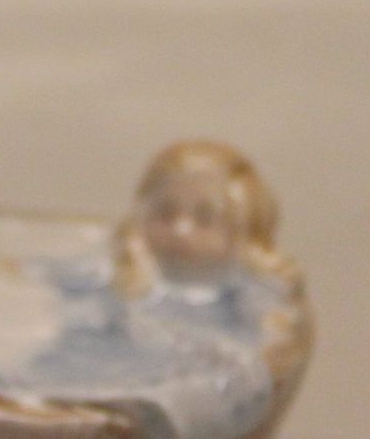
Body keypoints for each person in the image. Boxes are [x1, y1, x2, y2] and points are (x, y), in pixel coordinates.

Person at [113, 141, 311, 377]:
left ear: (243, 229)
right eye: (165, 214)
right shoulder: (119, 291)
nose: (181, 231)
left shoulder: (259, 307)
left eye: (204, 219)